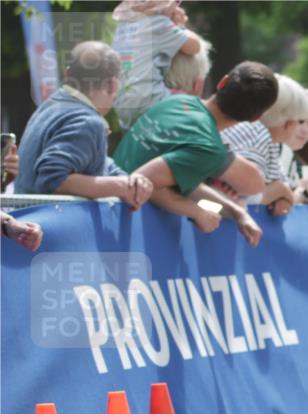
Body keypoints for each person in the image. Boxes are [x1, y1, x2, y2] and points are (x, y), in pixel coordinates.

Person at [114, 61, 279, 247]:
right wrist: (196, 212)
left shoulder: (178, 101)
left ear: (222, 82)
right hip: (125, 224)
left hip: (113, 208)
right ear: (256, 118)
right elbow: (144, 180)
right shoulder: (210, 149)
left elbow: (177, 179)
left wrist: (236, 212)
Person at [14, 41, 152, 209]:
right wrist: (121, 186)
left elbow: (88, 156)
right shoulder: (87, 122)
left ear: (67, 74)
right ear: (112, 84)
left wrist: (124, 178)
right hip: (52, 231)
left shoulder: (51, 106)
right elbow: (53, 179)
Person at [221, 74, 308, 216]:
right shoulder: (255, 135)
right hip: (204, 208)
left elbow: (281, 184)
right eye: (300, 121)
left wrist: (283, 195)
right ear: (288, 124)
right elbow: (245, 199)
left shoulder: (271, 141)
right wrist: (279, 190)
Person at [111, 0, 202, 129]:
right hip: (148, 98)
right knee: (191, 103)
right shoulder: (159, 23)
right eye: (176, 2)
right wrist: (179, 25)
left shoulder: (123, 26)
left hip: (122, 105)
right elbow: (194, 47)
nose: (178, 6)